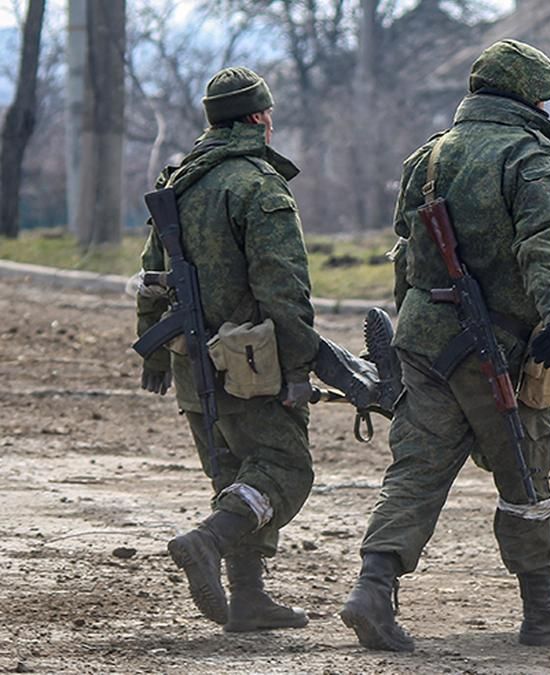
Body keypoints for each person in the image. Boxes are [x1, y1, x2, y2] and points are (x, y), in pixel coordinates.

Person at [338, 39, 550, 651]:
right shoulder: (528, 155)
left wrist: (407, 332)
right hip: (494, 343)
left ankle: (373, 589)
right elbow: (549, 236)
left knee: (417, 468)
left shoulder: (426, 158)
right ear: (529, 97)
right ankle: (541, 609)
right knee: (525, 470)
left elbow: (405, 251)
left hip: (423, 337)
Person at [134, 67, 320, 632]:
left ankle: (248, 597)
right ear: (261, 118)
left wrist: (154, 353)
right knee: (285, 469)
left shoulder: (179, 179)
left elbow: (152, 274)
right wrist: (299, 366)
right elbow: (283, 286)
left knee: (235, 475)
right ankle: (207, 541)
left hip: (190, 359)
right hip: (251, 364)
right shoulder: (257, 186)